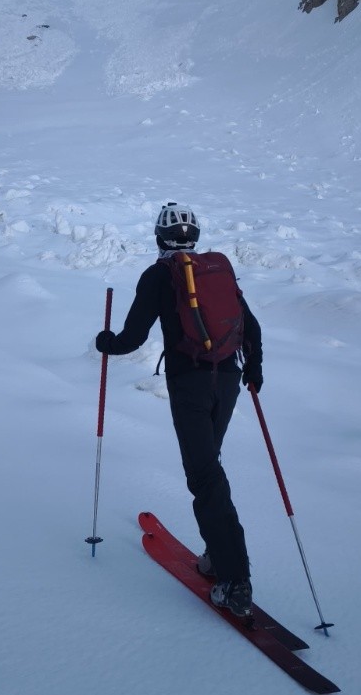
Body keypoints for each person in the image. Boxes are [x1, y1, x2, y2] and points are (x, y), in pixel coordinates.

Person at [95, 203, 263, 618]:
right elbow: (251, 326)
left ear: (158, 237)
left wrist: (106, 342)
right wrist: (254, 370)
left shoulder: (158, 275)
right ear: (196, 236)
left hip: (190, 383)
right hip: (227, 380)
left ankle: (235, 581)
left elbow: (133, 338)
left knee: (204, 476)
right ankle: (216, 558)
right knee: (210, 468)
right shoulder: (215, 271)